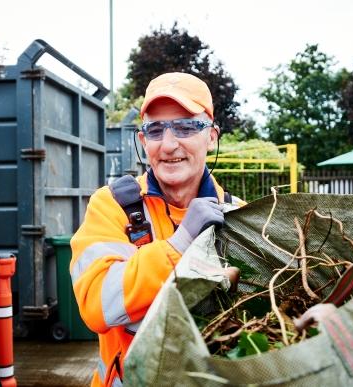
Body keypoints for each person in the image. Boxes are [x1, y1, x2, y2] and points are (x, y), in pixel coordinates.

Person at [70, 72, 243, 386]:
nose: (169, 144)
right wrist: (179, 245)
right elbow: (97, 305)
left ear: (212, 137)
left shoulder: (239, 216)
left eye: (186, 126)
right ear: (142, 140)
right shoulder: (111, 207)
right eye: (155, 129)